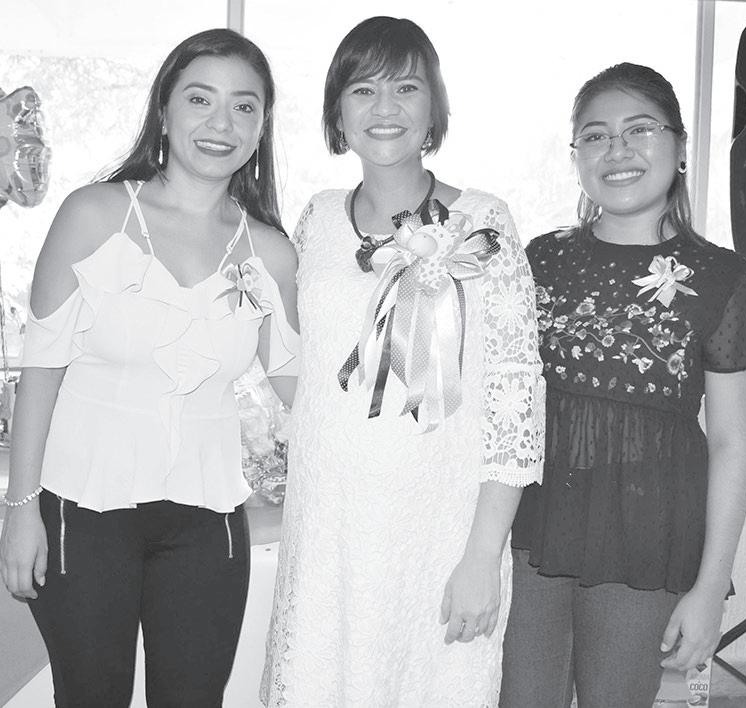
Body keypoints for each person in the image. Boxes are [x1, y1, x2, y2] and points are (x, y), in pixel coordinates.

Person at [0, 28, 299, 707]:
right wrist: (20, 512)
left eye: (244, 106)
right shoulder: (93, 214)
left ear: (261, 127)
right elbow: (40, 370)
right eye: (200, 99)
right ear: (164, 111)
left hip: (209, 522)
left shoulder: (271, 254)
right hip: (81, 512)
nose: (221, 123)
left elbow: (301, 390)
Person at [259, 16, 544, 707]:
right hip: (328, 524)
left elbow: (515, 399)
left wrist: (483, 557)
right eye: (362, 90)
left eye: (406, 87)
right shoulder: (316, 218)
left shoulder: (485, 221)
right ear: (337, 113)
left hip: (440, 529)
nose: (384, 108)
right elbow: (299, 363)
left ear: (433, 108)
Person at [501, 63, 746, 708]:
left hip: (646, 543)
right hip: (530, 533)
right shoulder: (539, 259)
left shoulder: (721, 278)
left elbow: (731, 445)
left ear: (680, 147)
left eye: (640, 130)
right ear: (576, 156)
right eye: (595, 136)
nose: (617, 150)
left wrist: (710, 589)